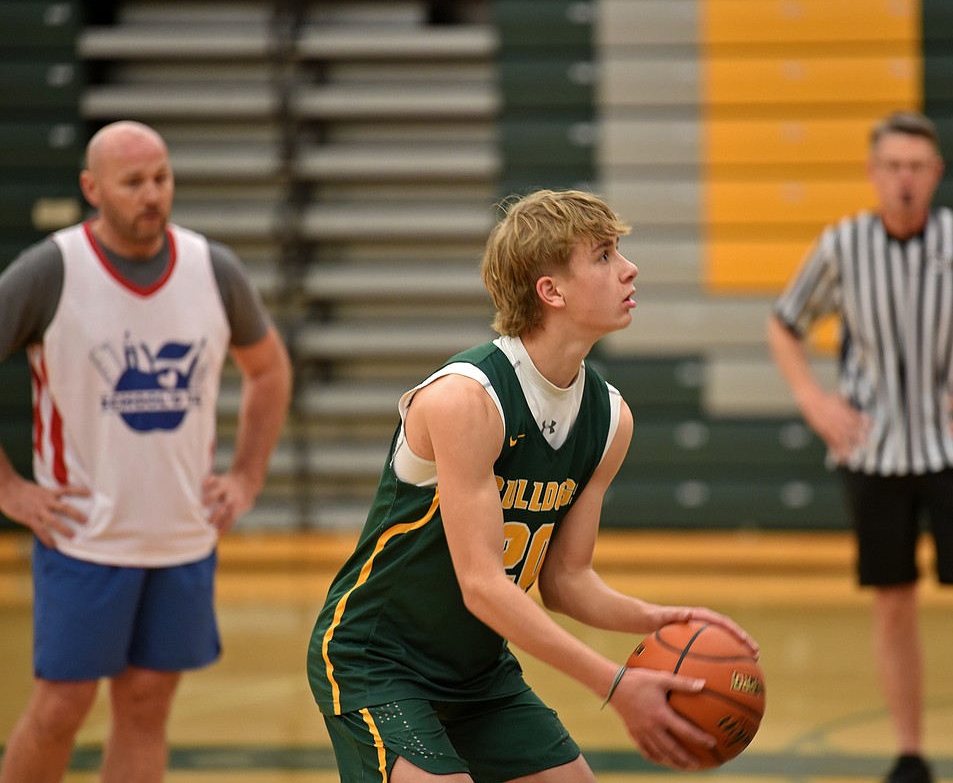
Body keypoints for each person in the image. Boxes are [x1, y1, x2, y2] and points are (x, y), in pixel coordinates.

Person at [306, 188, 758, 782]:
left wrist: (660, 619)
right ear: (551, 291)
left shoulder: (609, 419)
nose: (629, 267)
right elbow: (483, 586)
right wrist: (614, 684)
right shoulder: (467, 399)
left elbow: (566, 580)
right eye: (603, 255)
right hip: (377, 658)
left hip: (476, 668)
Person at [767, 111, 953, 783]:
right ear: (874, 173)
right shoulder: (843, 246)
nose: (904, 178)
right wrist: (814, 401)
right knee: (893, 600)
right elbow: (786, 325)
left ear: (936, 174)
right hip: (873, 451)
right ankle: (909, 752)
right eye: (893, 165)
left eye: (917, 166)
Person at [0, 120, 292, 783]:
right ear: (92, 188)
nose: (152, 193)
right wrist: (10, 489)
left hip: (182, 536)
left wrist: (246, 476)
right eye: (133, 182)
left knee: (145, 703)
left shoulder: (211, 267)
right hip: (84, 537)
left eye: (161, 177)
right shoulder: (52, 269)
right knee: (60, 707)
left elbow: (269, 370)